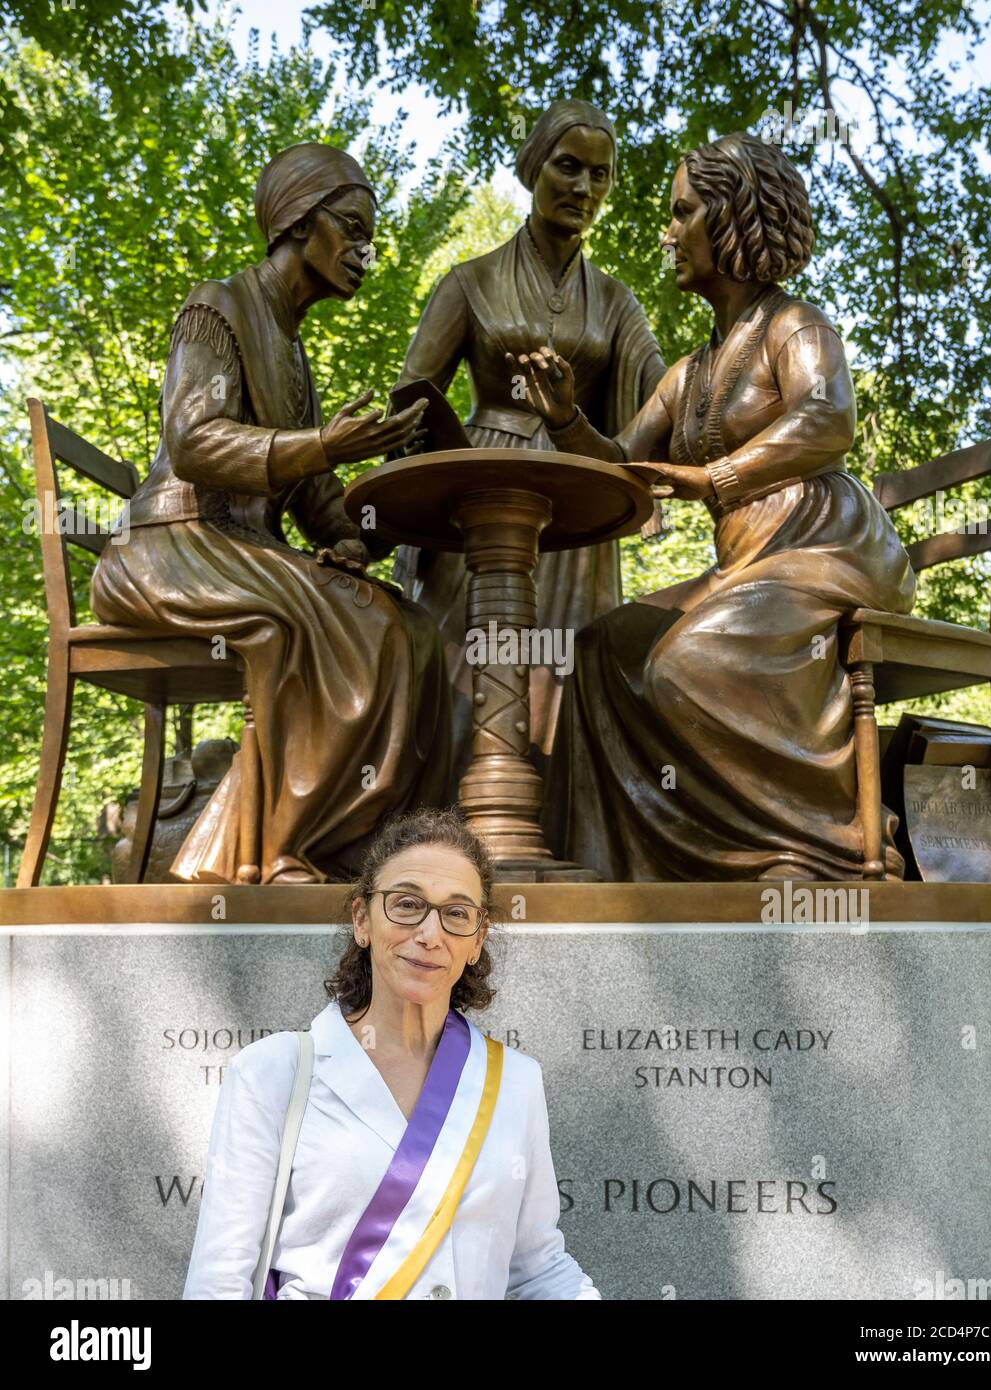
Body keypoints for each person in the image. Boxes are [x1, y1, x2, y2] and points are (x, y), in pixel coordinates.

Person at [513, 132, 916, 882]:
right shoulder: (689, 371)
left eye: (682, 213)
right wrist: (568, 418)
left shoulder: (795, 325)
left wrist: (718, 478)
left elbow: (829, 418)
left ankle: (822, 847)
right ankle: (629, 871)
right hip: (750, 565)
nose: (667, 233)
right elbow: (623, 464)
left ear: (732, 218)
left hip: (826, 548)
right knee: (602, 650)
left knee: (688, 661)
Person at [90, 143, 451, 885]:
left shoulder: (292, 352)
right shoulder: (216, 305)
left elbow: (310, 495)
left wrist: (355, 535)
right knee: (345, 622)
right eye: (350, 229)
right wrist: (323, 443)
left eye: (367, 236)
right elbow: (193, 441)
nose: (364, 252)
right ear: (296, 222)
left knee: (412, 626)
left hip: (237, 549)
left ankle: (349, 838)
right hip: (168, 546)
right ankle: (263, 848)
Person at [183, 808, 600, 1300]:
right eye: (406, 905)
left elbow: (537, 1267)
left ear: (477, 940)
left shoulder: (514, 1081)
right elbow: (220, 1280)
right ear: (363, 919)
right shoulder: (273, 1073)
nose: (430, 934)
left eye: (457, 914)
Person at [392, 99, 666, 781]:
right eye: (567, 167)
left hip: (576, 495)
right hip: (483, 490)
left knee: (569, 664)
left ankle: (561, 825)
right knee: (464, 655)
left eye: (599, 176)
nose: (583, 189)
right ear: (532, 167)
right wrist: (409, 503)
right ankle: (453, 819)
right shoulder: (471, 281)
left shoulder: (615, 302)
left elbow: (667, 398)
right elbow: (411, 401)